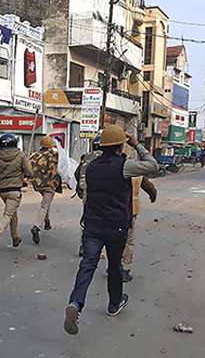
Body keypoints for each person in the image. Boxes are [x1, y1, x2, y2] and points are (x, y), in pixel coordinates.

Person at [64, 125, 158, 335]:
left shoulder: (91, 166)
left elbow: (81, 184)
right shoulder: (124, 166)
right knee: (115, 266)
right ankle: (114, 304)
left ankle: (75, 303)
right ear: (119, 146)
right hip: (116, 226)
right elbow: (153, 166)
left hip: (92, 225)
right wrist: (137, 144)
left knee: (87, 265)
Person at [0, 133, 34, 253]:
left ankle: (15, 237)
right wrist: (24, 176)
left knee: (12, 213)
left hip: (2, 191)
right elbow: (30, 173)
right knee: (8, 214)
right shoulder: (21, 156)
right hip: (15, 190)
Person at [28, 136, 61, 245]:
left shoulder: (34, 156)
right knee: (44, 205)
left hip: (38, 184)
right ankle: (36, 226)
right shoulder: (54, 155)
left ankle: (47, 221)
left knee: (46, 203)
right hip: (50, 184)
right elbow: (62, 166)